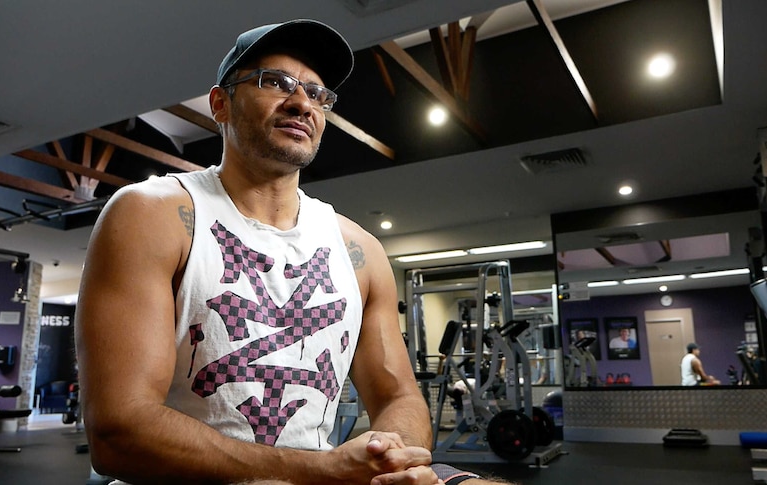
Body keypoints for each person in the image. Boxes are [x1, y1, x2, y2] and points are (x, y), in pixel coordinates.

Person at [75, 19, 510, 485]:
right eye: (276, 82)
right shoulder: (152, 215)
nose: (302, 102)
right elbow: (119, 431)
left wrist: (389, 460)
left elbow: (397, 397)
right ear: (221, 103)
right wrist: (323, 471)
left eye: (318, 94)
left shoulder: (358, 248)